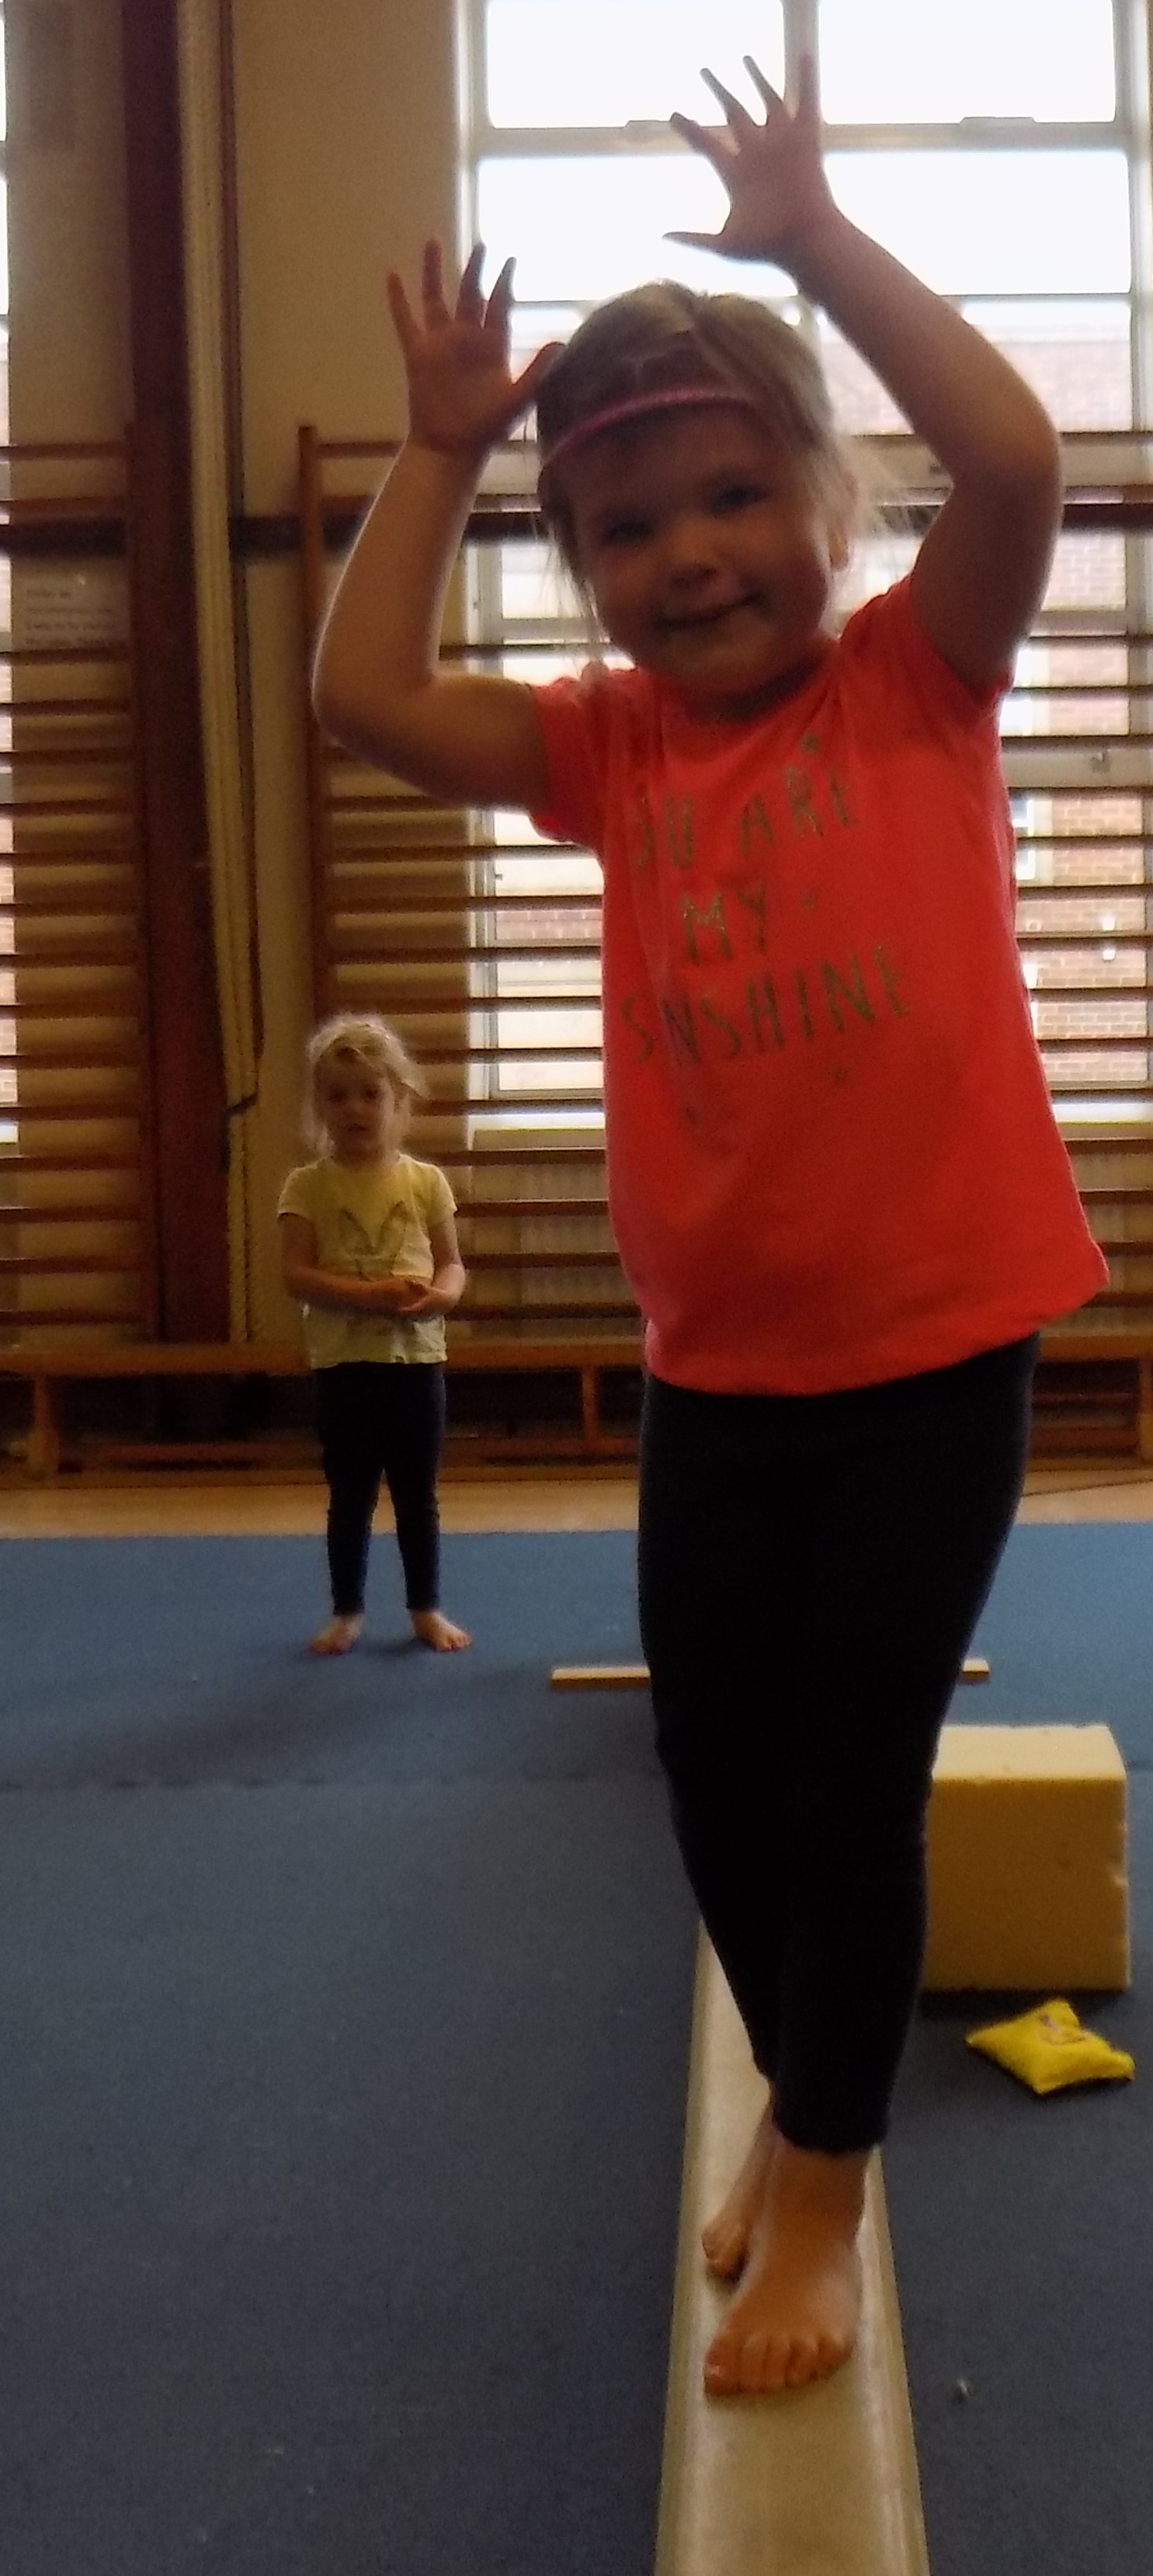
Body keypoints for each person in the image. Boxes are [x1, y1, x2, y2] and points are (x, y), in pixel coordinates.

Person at [311, 54, 1106, 2397]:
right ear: (587, 570)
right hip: (719, 1365)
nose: (689, 554)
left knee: (848, 1774)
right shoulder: (614, 749)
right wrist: (442, 446)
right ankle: (802, 2088)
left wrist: (820, 242)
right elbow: (364, 692)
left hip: (935, 1344)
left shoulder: (918, 678)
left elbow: (1021, 464)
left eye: (738, 494)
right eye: (630, 526)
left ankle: (830, 2168)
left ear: (826, 505)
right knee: (716, 1781)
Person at [278, 1012, 471, 1655]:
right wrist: (372, 1296)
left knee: (417, 1495)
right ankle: (347, 1610)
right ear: (319, 1106)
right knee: (350, 1495)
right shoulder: (307, 1185)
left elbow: (451, 1263)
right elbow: (296, 1275)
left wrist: (442, 1296)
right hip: (344, 1366)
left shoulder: (425, 1182)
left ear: (398, 1099)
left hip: (415, 1363)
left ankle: (425, 1607)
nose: (355, 1108)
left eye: (369, 1093)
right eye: (337, 1096)